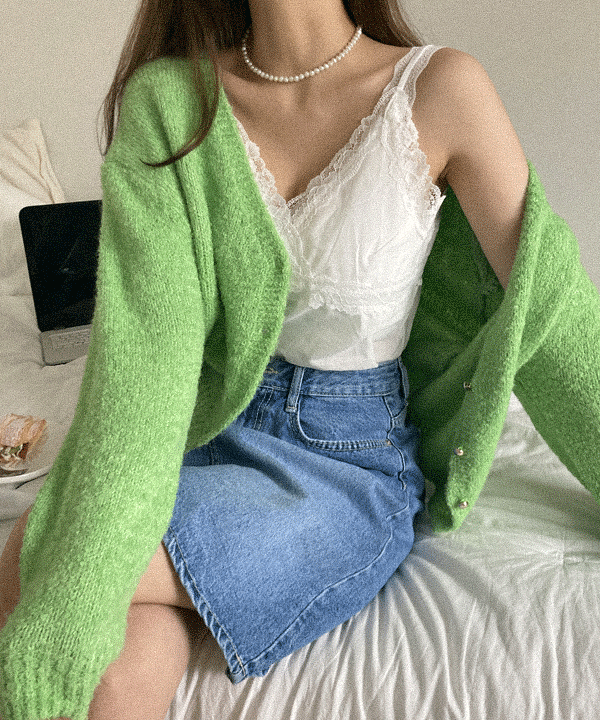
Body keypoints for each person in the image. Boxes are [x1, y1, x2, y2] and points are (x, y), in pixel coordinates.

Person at [2, 1, 600, 719]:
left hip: (346, 469)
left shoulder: (441, 89)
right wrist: (76, 590)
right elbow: (145, 359)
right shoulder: (169, 102)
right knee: (85, 625)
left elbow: (552, 316)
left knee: (47, 562)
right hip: (196, 436)